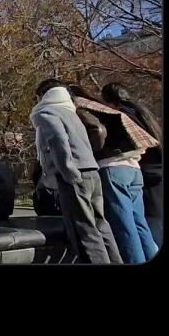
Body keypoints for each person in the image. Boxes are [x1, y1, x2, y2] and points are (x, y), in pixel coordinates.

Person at [31, 79, 122, 264]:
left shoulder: (46, 111)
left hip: (75, 175)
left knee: (83, 230)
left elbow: (57, 139)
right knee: (101, 225)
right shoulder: (71, 112)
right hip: (92, 171)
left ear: (44, 95)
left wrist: (67, 171)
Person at [69, 86, 159, 264]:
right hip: (134, 168)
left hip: (113, 168)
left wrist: (93, 153)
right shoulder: (109, 110)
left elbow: (97, 131)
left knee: (124, 227)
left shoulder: (82, 108)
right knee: (139, 224)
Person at [102, 82, 163, 247]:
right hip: (155, 176)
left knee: (137, 227)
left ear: (108, 101)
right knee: (147, 228)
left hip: (142, 174)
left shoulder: (121, 117)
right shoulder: (143, 114)